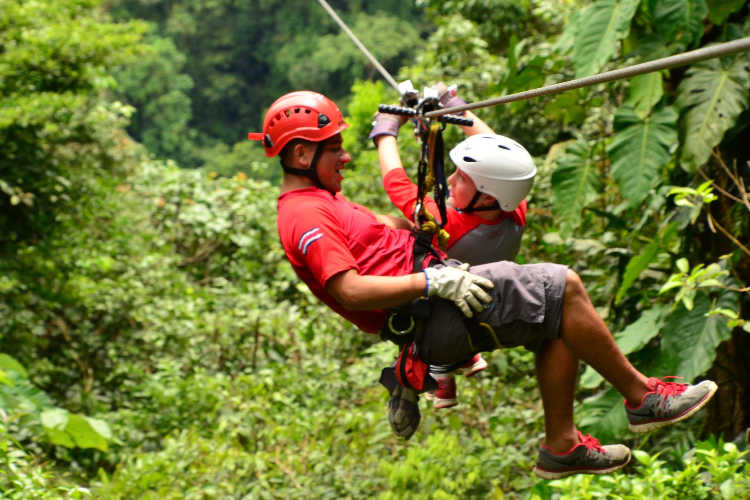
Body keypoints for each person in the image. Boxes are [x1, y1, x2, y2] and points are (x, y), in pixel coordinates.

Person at [248, 90, 718, 480]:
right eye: (334, 149)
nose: (345, 156)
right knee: (565, 286)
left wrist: (413, 236)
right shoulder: (306, 214)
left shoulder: (321, 199)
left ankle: (562, 445)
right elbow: (349, 290)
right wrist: (431, 281)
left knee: (558, 321)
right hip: (435, 307)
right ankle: (642, 398)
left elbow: (383, 227)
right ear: (301, 153)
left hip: (439, 294)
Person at [370, 83, 533, 409]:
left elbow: (397, 182)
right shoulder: (515, 210)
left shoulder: (443, 222)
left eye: (461, 179)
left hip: (440, 295)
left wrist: (385, 131)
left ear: (486, 196)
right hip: (477, 290)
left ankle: (439, 369)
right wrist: (458, 110)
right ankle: (451, 367)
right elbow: (492, 149)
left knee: (388, 227)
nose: (452, 181)